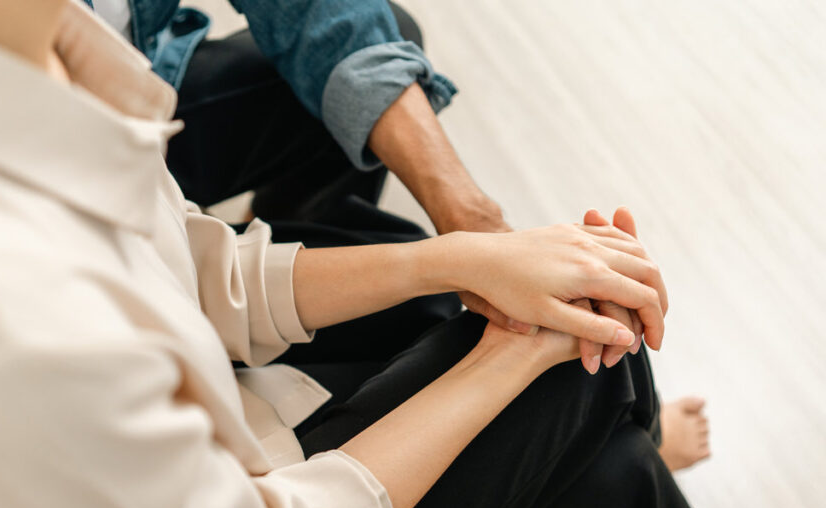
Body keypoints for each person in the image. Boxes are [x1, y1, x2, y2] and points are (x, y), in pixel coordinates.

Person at [0, 2, 754, 508]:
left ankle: (610, 445)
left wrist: (461, 255)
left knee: (601, 427)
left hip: (195, 496)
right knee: (582, 374)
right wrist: (515, 357)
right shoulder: (0, 324)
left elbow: (197, 269)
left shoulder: (3, 50)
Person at [83, 0, 713, 471]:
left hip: (147, 109)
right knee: (590, 396)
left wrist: (470, 227)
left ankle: (332, 247)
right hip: (107, 188)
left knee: (382, 40)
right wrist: (460, 270)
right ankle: (636, 440)